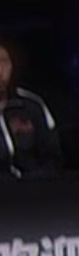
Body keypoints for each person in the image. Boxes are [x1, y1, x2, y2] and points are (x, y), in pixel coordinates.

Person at [0, 38, 62, 178]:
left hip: (33, 188)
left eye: (3, 61)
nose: (0, 70)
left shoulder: (31, 105)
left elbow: (53, 159)